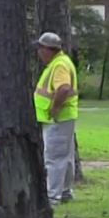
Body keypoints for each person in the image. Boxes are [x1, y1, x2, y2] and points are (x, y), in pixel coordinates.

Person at [33, 31, 79, 206]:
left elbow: (64, 88)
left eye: (40, 48)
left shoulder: (59, 65)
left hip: (57, 119)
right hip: (64, 118)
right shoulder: (61, 62)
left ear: (47, 49)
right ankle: (65, 192)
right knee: (65, 157)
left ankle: (52, 197)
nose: (38, 52)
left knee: (54, 158)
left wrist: (55, 108)